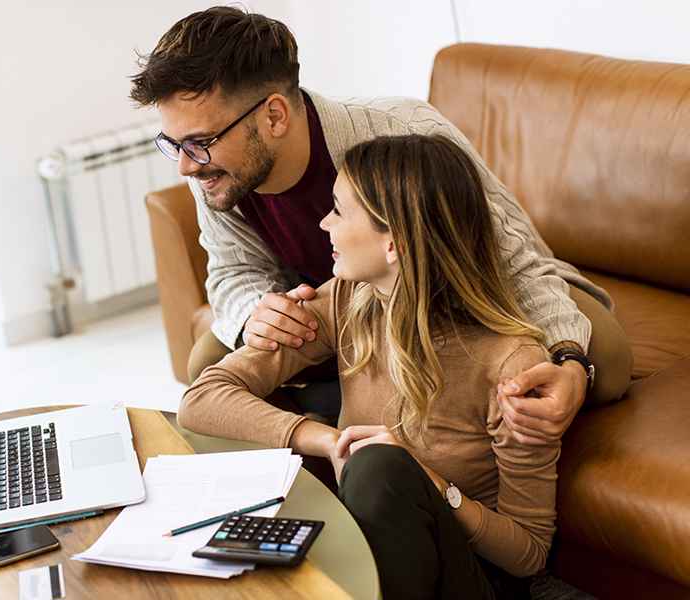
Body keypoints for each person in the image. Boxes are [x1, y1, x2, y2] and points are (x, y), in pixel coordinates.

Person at [130, 7, 633, 443]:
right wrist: (256, 313)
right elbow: (232, 272)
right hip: (330, 317)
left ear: (275, 116)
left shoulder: (404, 132)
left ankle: (373, 397)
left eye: (198, 143)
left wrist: (570, 360)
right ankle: (335, 425)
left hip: (446, 305)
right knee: (207, 365)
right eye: (173, 145)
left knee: (605, 361)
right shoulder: (213, 172)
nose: (186, 166)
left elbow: (512, 258)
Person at [181, 134, 560, 599]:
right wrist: (330, 442)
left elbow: (529, 554)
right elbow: (202, 398)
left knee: (381, 466)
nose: (323, 223)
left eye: (338, 210)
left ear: (393, 244)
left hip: (466, 579)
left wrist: (435, 485)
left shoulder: (511, 365)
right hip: (370, 556)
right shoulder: (348, 301)